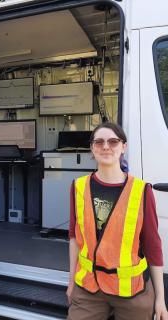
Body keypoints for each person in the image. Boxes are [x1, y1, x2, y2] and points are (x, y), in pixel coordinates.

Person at [67, 122, 168, 320]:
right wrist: (71, 282)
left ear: (123, 147)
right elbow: (74, 238)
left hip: (132, 292)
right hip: (88, 288)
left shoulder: (141, 191)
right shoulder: (78, 186)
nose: (106, 147)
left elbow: (153, 246)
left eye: (113, 141)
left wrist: (160, 298)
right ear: (92, 148)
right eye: (99, 142)